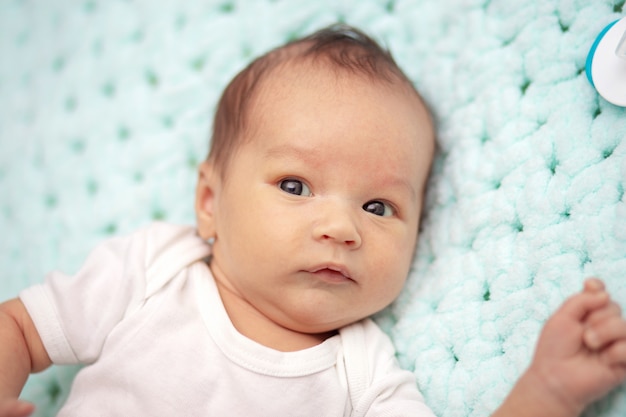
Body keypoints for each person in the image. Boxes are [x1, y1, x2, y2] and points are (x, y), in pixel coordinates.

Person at [0, 24, 625, 417]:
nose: (341, 228)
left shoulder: (364, 376)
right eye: (296, 186)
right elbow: (19, 330)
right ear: (210, 201)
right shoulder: (154, 270)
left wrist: (547, 391)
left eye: (378, 206)